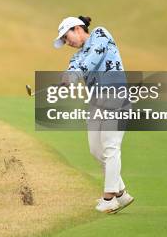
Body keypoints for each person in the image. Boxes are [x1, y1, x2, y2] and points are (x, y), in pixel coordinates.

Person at [53, 15, 134, 214]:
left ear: (78, 28)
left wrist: (74, 75)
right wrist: (66, 81)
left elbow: (91, 61)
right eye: (63, 40)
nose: (67, 42)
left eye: (67, 36)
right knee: (96, 150)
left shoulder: (100, 33)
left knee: (110, 147)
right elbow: (73, 69)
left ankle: (109, 199)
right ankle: (121, 193)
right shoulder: (76, 56)